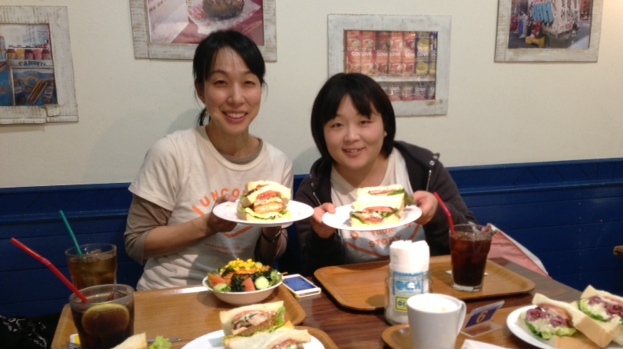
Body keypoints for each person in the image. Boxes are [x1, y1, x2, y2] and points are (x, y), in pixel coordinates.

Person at [125, 30, 292, 290]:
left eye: (248, 82)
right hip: (170, 293)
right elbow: (136, 243)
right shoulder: (171, 152)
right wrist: (208, 224)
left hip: (239, 293)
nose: (236, 98)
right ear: (201, 91)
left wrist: (272, 231)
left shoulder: (278, 163)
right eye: (221, 82)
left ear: (260, 89)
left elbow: (267, 257)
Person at [294, 72, 476, 276]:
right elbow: (315, 275)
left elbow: (471, 238)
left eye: (364, 122)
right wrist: (322, 237)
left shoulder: (422, 169)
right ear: (322, 133)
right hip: (356, 294)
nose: (351, 137)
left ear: (385, 126)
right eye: (337, 125)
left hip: (427, 288)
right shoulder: (314, 193)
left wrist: (437, 215)